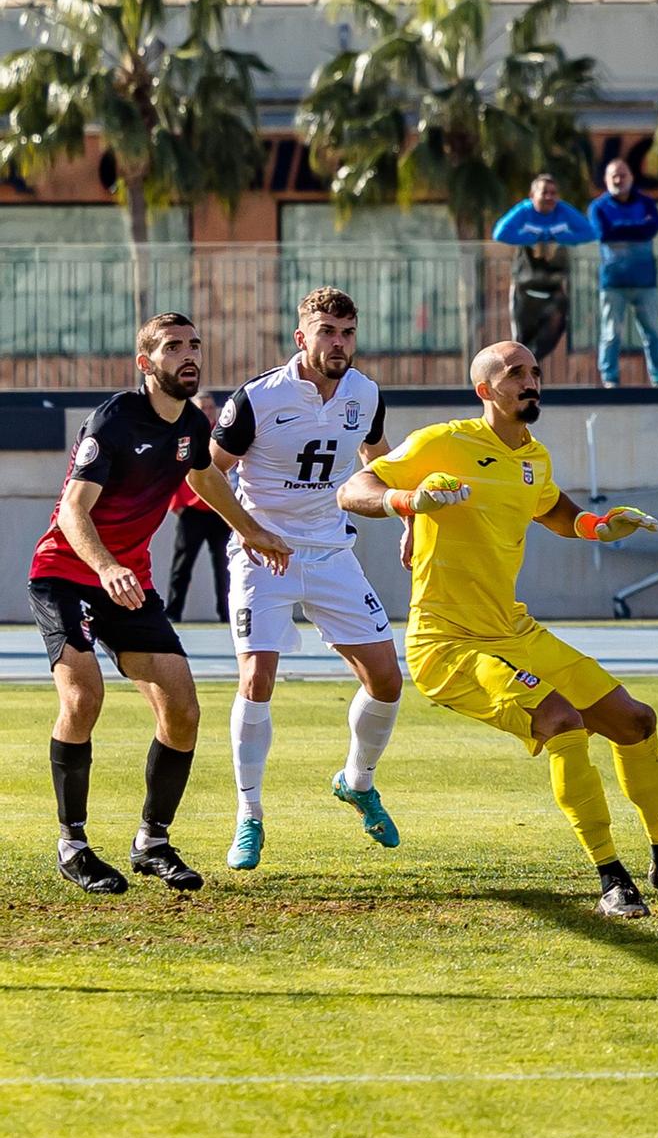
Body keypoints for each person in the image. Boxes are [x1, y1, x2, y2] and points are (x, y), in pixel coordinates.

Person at [336, 341, 658, 917]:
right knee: (561, 720)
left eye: (535, 372)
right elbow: (353, 490)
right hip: (447, 643)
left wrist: (602, 526)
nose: (531, 382)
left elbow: (556, 511)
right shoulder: (443, 442)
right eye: (515, 374)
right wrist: (410, 500)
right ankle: (611, 877)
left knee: (635, 722)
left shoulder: (535, 457)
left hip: (513, 630)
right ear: (486, 390)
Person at [29, 314, 292, 895]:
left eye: (195, 343)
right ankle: (73, 845)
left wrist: (249, 529)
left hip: (130, 583)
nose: (189, 354)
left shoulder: (195, 422)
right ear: (146, 363)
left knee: (183, 711)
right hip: (66, 575)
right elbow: (74, 511)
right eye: (173, 347)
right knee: (83, 695)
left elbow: (204, 480)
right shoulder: (115, 419)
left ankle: (152, 842)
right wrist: (107, 566)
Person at [208, 288, 403, 872]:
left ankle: (358, 782)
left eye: (347, 331)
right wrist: (248, 530)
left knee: (388, 680)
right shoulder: (258, 398)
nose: (338, 342)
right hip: (261, 555)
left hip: (330, 553)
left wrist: (407, 515)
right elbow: (206, 474)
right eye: (326, 331)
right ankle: (250, 816)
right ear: (302, 337)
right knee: (258, 677)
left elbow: (380, 461)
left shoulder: (365, 394)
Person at [493, 174, 597, 361]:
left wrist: (557, 237)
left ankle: (533, 366)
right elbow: (500, 233)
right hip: (526, 288)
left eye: (553, 193)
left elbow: (589, 232)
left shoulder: (562, 211)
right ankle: (523, 373)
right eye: (544, 193)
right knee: (522, 341)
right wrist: (534, 238)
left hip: (553, 288)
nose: (549, 197)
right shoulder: (524, 211)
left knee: (553, 334)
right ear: (533, 195)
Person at [586, 159, 658, 388]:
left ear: (631, 178)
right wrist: (636, 229)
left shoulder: (647, 203)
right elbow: (603, 233)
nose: (618, 180)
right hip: (613, 283)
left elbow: (651, 229)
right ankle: (610, 379)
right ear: (606, 180)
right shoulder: (598, 207)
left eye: (622, 175)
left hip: (645, 282)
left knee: (652, 332)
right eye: (613, 175)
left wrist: (620, 230)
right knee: (611, 333)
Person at [163, 393, 228, 623]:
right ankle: (173, 612)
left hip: (220, 512)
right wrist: (177, 505)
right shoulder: (184, 434)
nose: (207, 411)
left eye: (211, 407)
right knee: (182, 565)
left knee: (225, 566)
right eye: (203, 407)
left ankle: (227, 614)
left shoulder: (223, 438)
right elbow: (173, 471)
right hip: (191, 512)